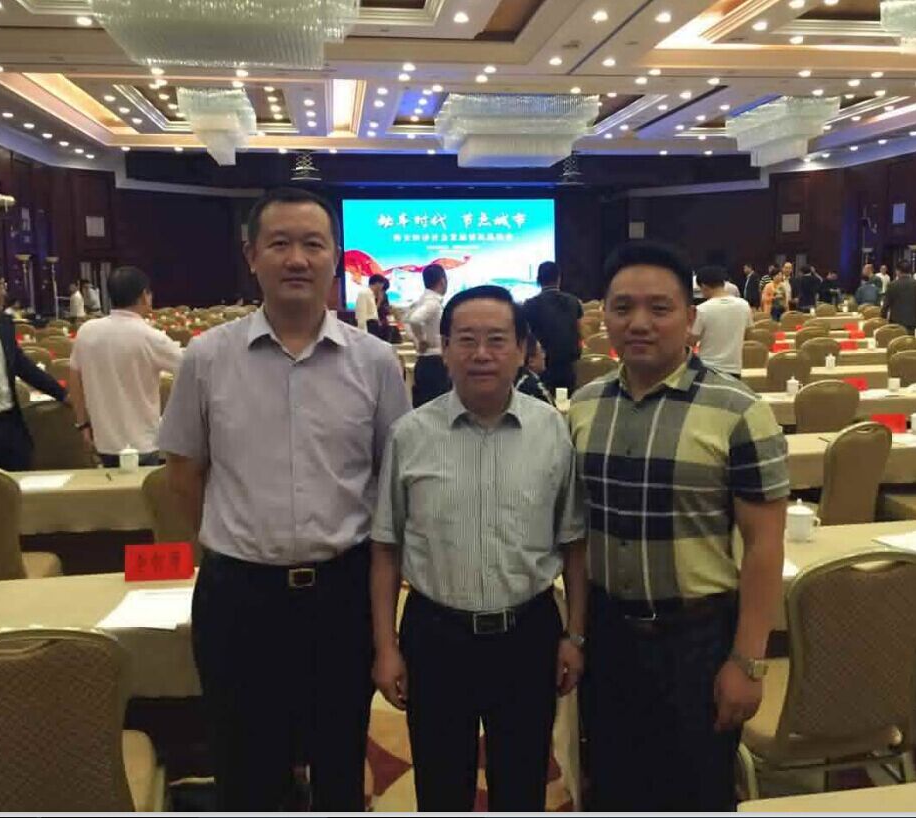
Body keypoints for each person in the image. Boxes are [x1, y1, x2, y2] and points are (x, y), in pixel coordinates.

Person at [158, 188, 411, 811]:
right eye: (279, 244)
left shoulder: (376, 361)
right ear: (252, 256)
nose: (296, 259)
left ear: (335, 258)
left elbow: (391, 476)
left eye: (312, 244)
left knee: (339, 758)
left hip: (342, 594)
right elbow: (184, 473)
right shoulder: (207, 357)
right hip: (239, 597)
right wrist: (233, 544)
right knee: (246, 766)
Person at [569, 240, 788, 812]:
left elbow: (765, 545)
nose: (639, 323)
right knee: (612, 785)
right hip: (610, 636)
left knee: (697, 790)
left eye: (659, 308)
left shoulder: (739, 410)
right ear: (604, 315)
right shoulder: (586, 407)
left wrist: (747, 661)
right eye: (623, 307)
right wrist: (577, 635)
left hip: (697, 639)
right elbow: (578, 532)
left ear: (690, 318)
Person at [370, 284, 587, 812]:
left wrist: (575, 635)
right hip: (436, 636)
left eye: (497, 339)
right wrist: (386, 647)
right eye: (466, 340)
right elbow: (385, 548)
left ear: (522, 349)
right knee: (441, 787)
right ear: (443, 349)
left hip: (528, 633)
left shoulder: (552, 431)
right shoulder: (409, 435)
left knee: (522, 784)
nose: (482, 354)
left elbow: (575, 543)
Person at [68, 266, 183, 469]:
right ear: (144, 296)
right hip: (143, 442)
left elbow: (74, 381)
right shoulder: (152, 337)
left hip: (102, 439)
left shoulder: (86, 331)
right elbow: (189, 373)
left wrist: (83, 424)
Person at [0, 257, 67, 470]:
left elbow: (22, 365)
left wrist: (63, 394)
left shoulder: (4, 323)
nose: (3, 293)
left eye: (3, 286)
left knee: (19, 484)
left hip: (10, 427)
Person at [522, 261, 583, 396]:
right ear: (559, 278)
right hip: (570, 367)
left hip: (542, 369)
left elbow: (527, 339)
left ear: (538, 280)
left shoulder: (529, 305)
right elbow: (579, 333)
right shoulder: (574, 302)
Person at [690, 265, 752, 378]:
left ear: (703, 286)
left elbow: (691, 341)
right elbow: (748, 334)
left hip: (707, 369)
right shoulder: (744, 305)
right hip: (735, 368)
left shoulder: (702, 309)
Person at [406, 263, 450, 407]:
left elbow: (407, 321)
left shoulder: (420, 301)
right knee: (437, 408)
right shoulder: (433, 303)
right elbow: (415, 320)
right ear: (442, 281)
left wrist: (415, 340)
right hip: (435, 362)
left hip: (425, 361)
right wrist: (422, 340)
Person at [882, 260, 916, 335]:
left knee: (897, 341)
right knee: (908, 341)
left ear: (898, 271)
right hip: (912, 321)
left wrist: (883, 318)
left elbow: (886, 304)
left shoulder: (892, 285)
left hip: (896, 321)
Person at [515, 334, 555, 405]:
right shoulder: (534, 388)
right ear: (531, 361)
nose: (544, 355)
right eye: (541, 351)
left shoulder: (516, 380)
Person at [354, 273, 389, 340]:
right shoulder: (364, 293)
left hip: (374, 325)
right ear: (377, 283)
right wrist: (362, 332)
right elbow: (361, 314)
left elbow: (373, 312)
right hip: (369, 325)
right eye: (382, 284)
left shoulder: (372, 295)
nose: (382, 287)